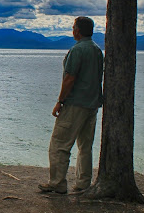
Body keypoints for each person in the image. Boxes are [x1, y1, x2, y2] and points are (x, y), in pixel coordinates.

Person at [38, 16, 103, 194]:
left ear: (78, 31)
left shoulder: (78, 50)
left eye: (74, 27)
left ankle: (57, 183)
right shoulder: (97, 50)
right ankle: (83, 183)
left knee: (59, 144)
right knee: (85, 146)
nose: (72, 30)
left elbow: (69, 79)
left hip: (75, 104)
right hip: (92, 105)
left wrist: (60, 102)